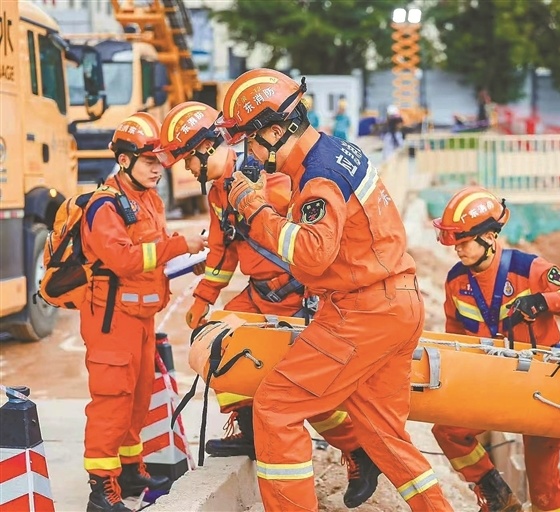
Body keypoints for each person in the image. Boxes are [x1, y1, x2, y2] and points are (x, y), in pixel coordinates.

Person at [216, 68, 452, 511]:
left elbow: (310, 254)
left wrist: (253, 207)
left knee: (276, 408)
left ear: (272, 129)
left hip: (361, 314)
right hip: (398, 303)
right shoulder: (337, 152)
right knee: (382, 430)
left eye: (248, 136)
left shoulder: (317, 178)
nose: (248, 149)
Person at [154, 101, 382, 507]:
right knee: (215, 346)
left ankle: (357, 450)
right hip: (259, 294)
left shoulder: (271, 178)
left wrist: (315, 295)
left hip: (298, 295)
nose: (188, 171)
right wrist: (205, 298)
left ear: (209, 147)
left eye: (189, 160)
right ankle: (248, 425)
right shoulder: (220, 193)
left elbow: (309, 241)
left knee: (307, 390)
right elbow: (223, 252)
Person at [432, 186, 560, 512]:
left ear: (489, 238)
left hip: (540, 383)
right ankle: (496, 495)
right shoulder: (455, 282)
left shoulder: (529, 269)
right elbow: (456, 337)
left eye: (464, 243)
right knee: (448, 431)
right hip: (491, 381)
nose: (458, 251)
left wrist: (544, 300)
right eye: (455, 244)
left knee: (544, 484)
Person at [80, 112, 207, 512]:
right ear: (123, 160)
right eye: (149, 161)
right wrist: (180, 247)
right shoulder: (105, 205)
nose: (159, 169)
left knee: (137, 397)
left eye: (161, 161)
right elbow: (122, 260)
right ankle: (101, 489)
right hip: (111, 317)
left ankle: (131, 469)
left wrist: (189, 260)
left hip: (141, 315)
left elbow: (155, 253)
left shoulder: (148, 199)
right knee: (112, 399)